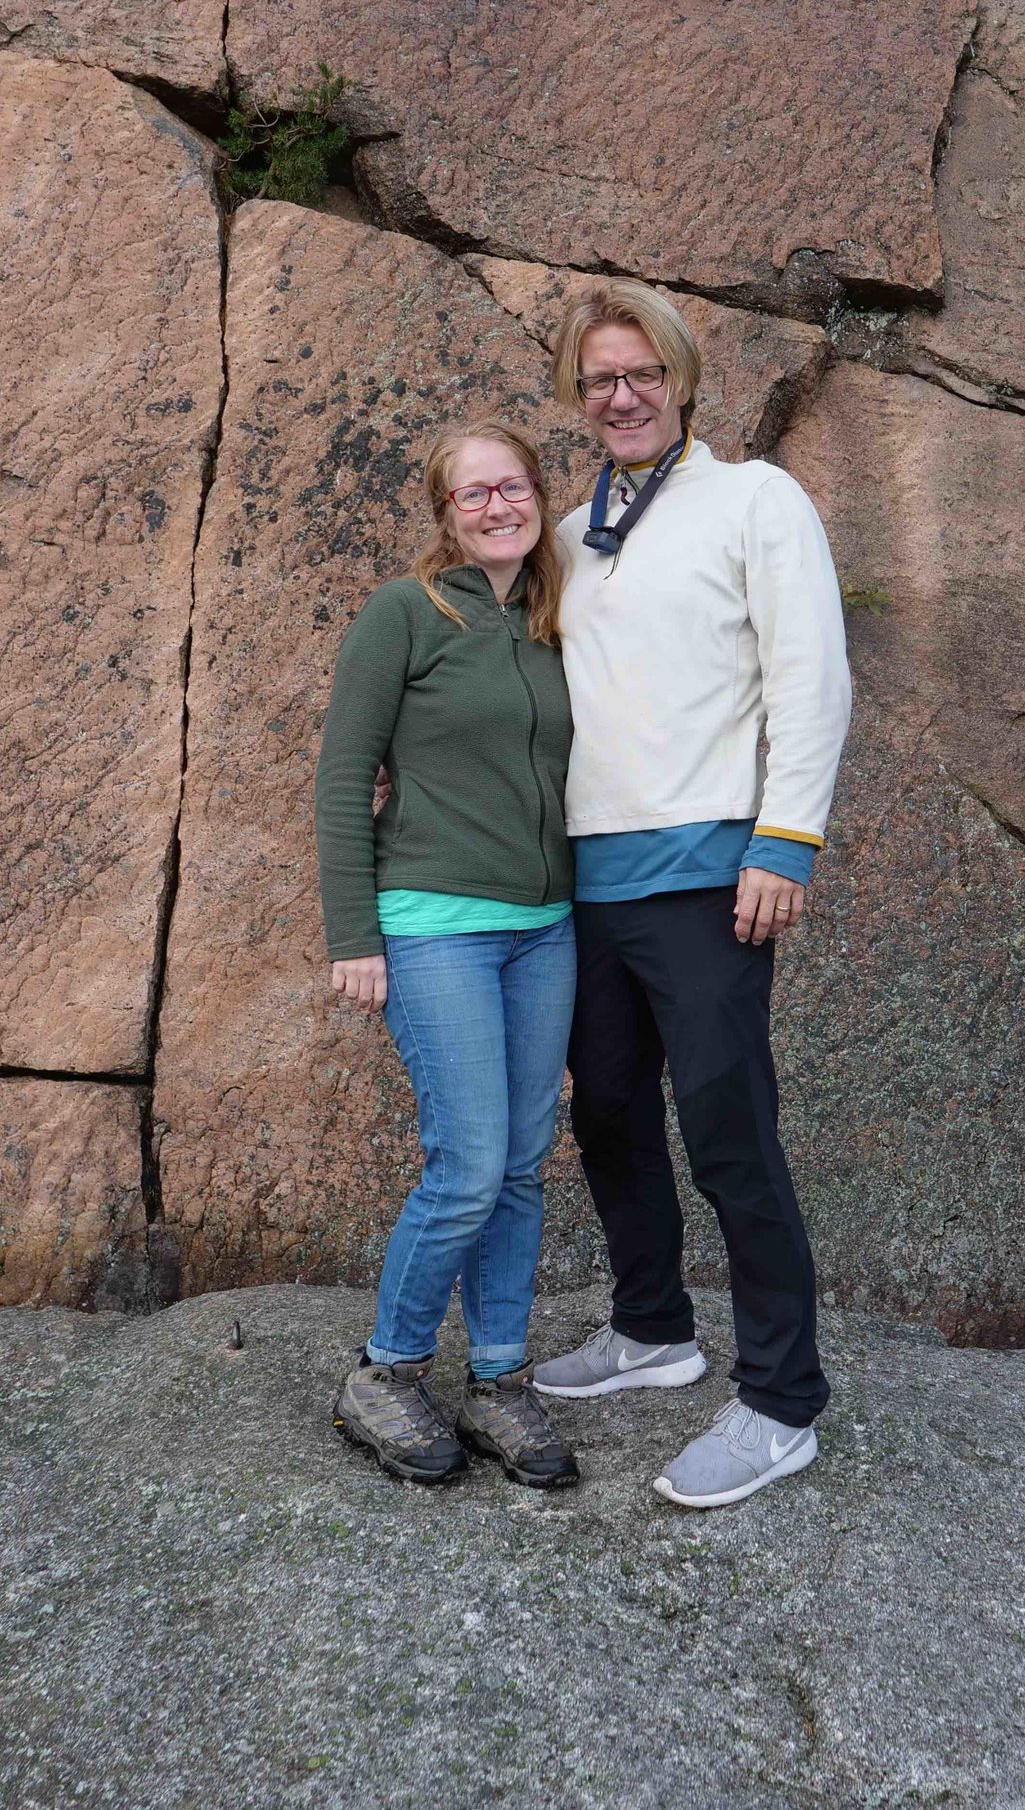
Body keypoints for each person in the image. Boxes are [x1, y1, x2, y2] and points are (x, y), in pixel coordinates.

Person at [528, 280, 853, 1509]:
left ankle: (778, 1402)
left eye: (641, 375)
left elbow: (810, 676)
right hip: (587, 888)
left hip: (712, 877)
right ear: (580, 396)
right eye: (598, 380)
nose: (621, 396)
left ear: (680, 381)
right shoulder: (565, 538)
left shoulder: (754, 500)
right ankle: (653, 1331)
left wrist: (787, 842)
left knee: (729, 1132)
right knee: (607, 1112)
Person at [315, 420, 581, 1490]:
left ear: (536, 497)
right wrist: (354, 938)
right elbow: (343, 778)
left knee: (519, 1166)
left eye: (512, 487)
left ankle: (501, 1383)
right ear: (444, 513)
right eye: (473, 494)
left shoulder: (556, 621)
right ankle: (386, 1370)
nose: (497, 506)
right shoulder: (403, 614)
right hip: (433, 926)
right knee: (467, 1163)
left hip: (547, 930)